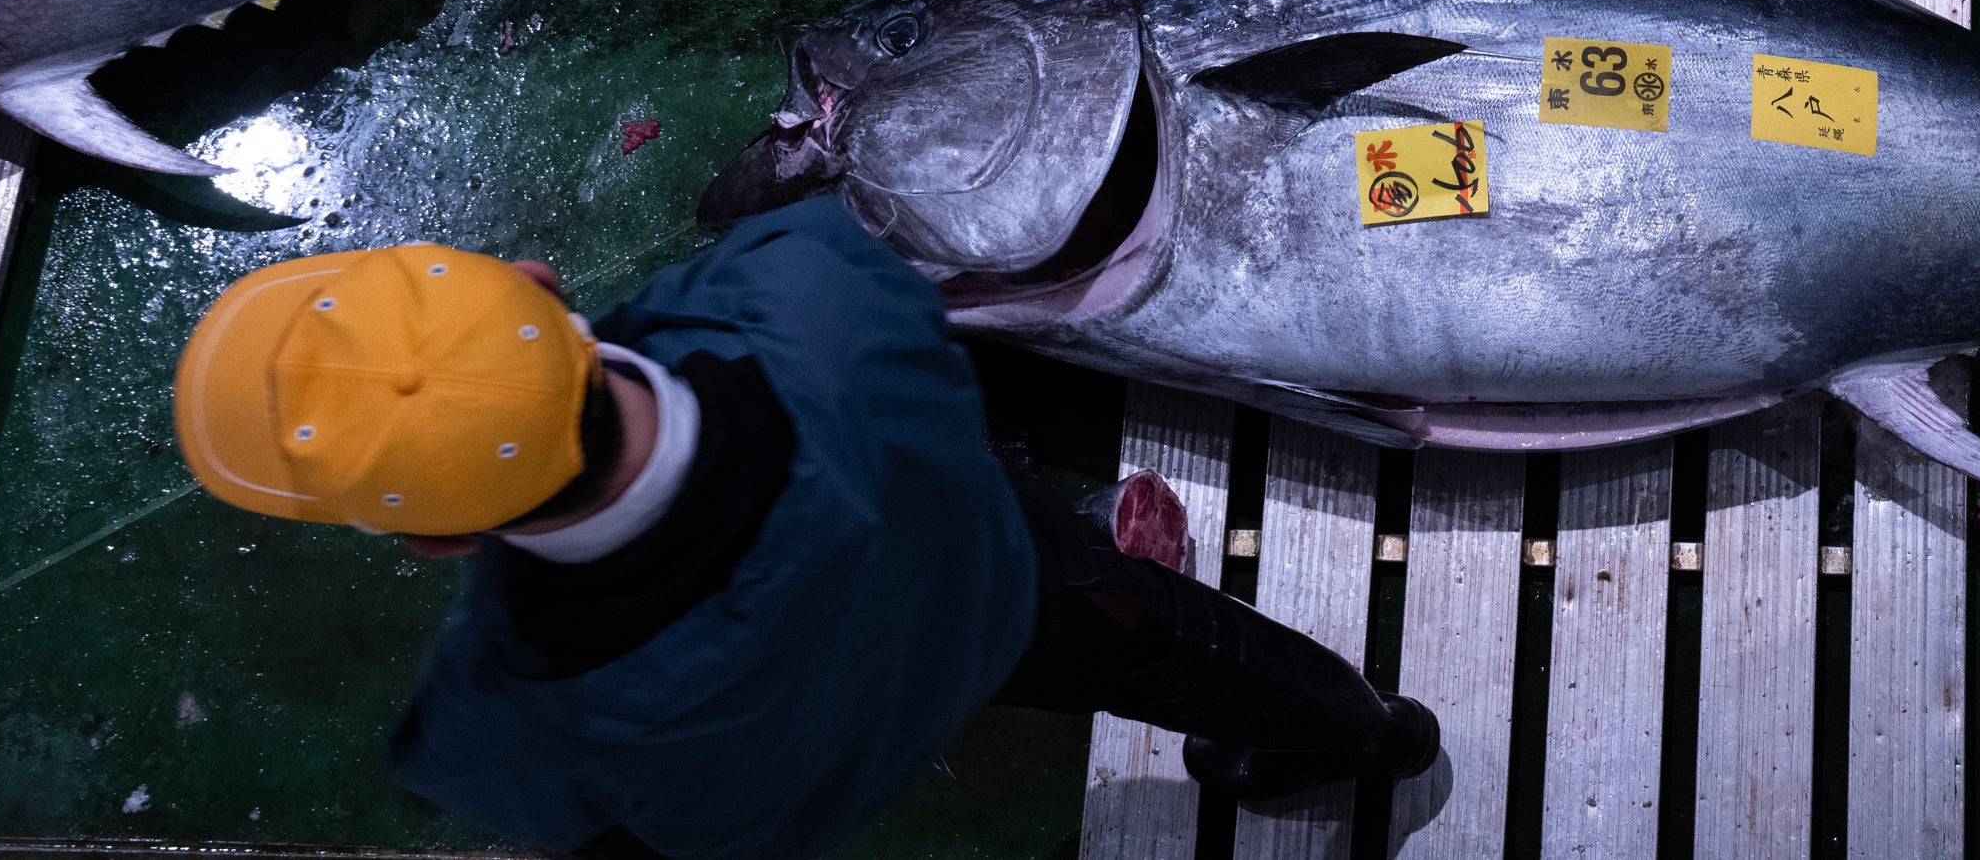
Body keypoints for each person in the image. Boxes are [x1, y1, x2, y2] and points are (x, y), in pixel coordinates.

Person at [171, 196, 1439, 859]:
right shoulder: (805, 281)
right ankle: (1373, 736)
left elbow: (601, 824)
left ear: (437, 543)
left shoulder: (505, 714)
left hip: (854, 726)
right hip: (993, 578)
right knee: (1157, 638)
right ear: (542, 286)